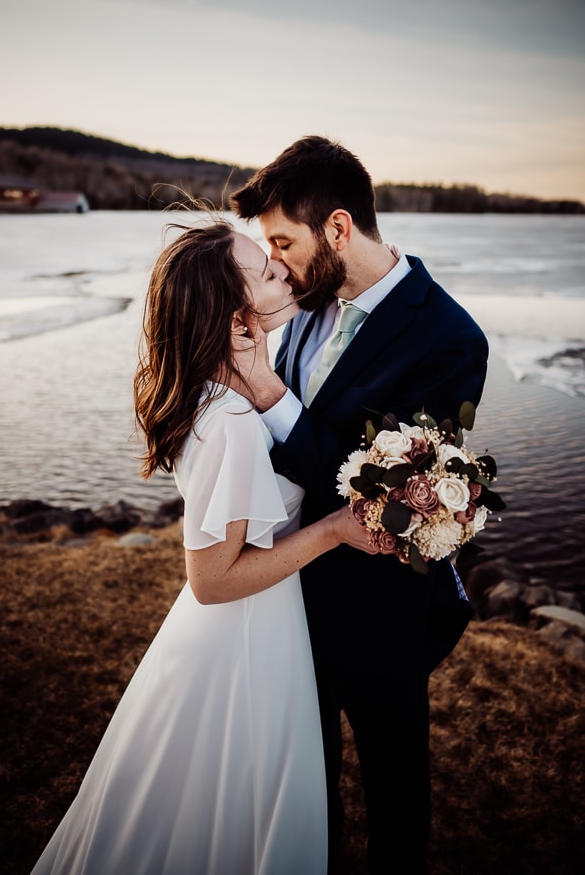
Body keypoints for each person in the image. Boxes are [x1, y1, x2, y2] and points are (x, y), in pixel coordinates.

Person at [30, 217, 376, 875]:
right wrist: (333, 531)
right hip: (242, 641)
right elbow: (211, 581)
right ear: (230, 312)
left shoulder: (221, 395)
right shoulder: (232, 423)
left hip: (259, 630)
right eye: (264, 270)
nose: (282, 270)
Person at [229, 136, 489, 874]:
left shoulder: (448, 339)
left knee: (394, 793)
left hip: (379, 609)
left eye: (283, 241)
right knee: (301, 788)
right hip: (282, 594)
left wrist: (269, 395)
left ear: (338, 229)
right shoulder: (307, 305)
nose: (274, 263)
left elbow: (381, 497)